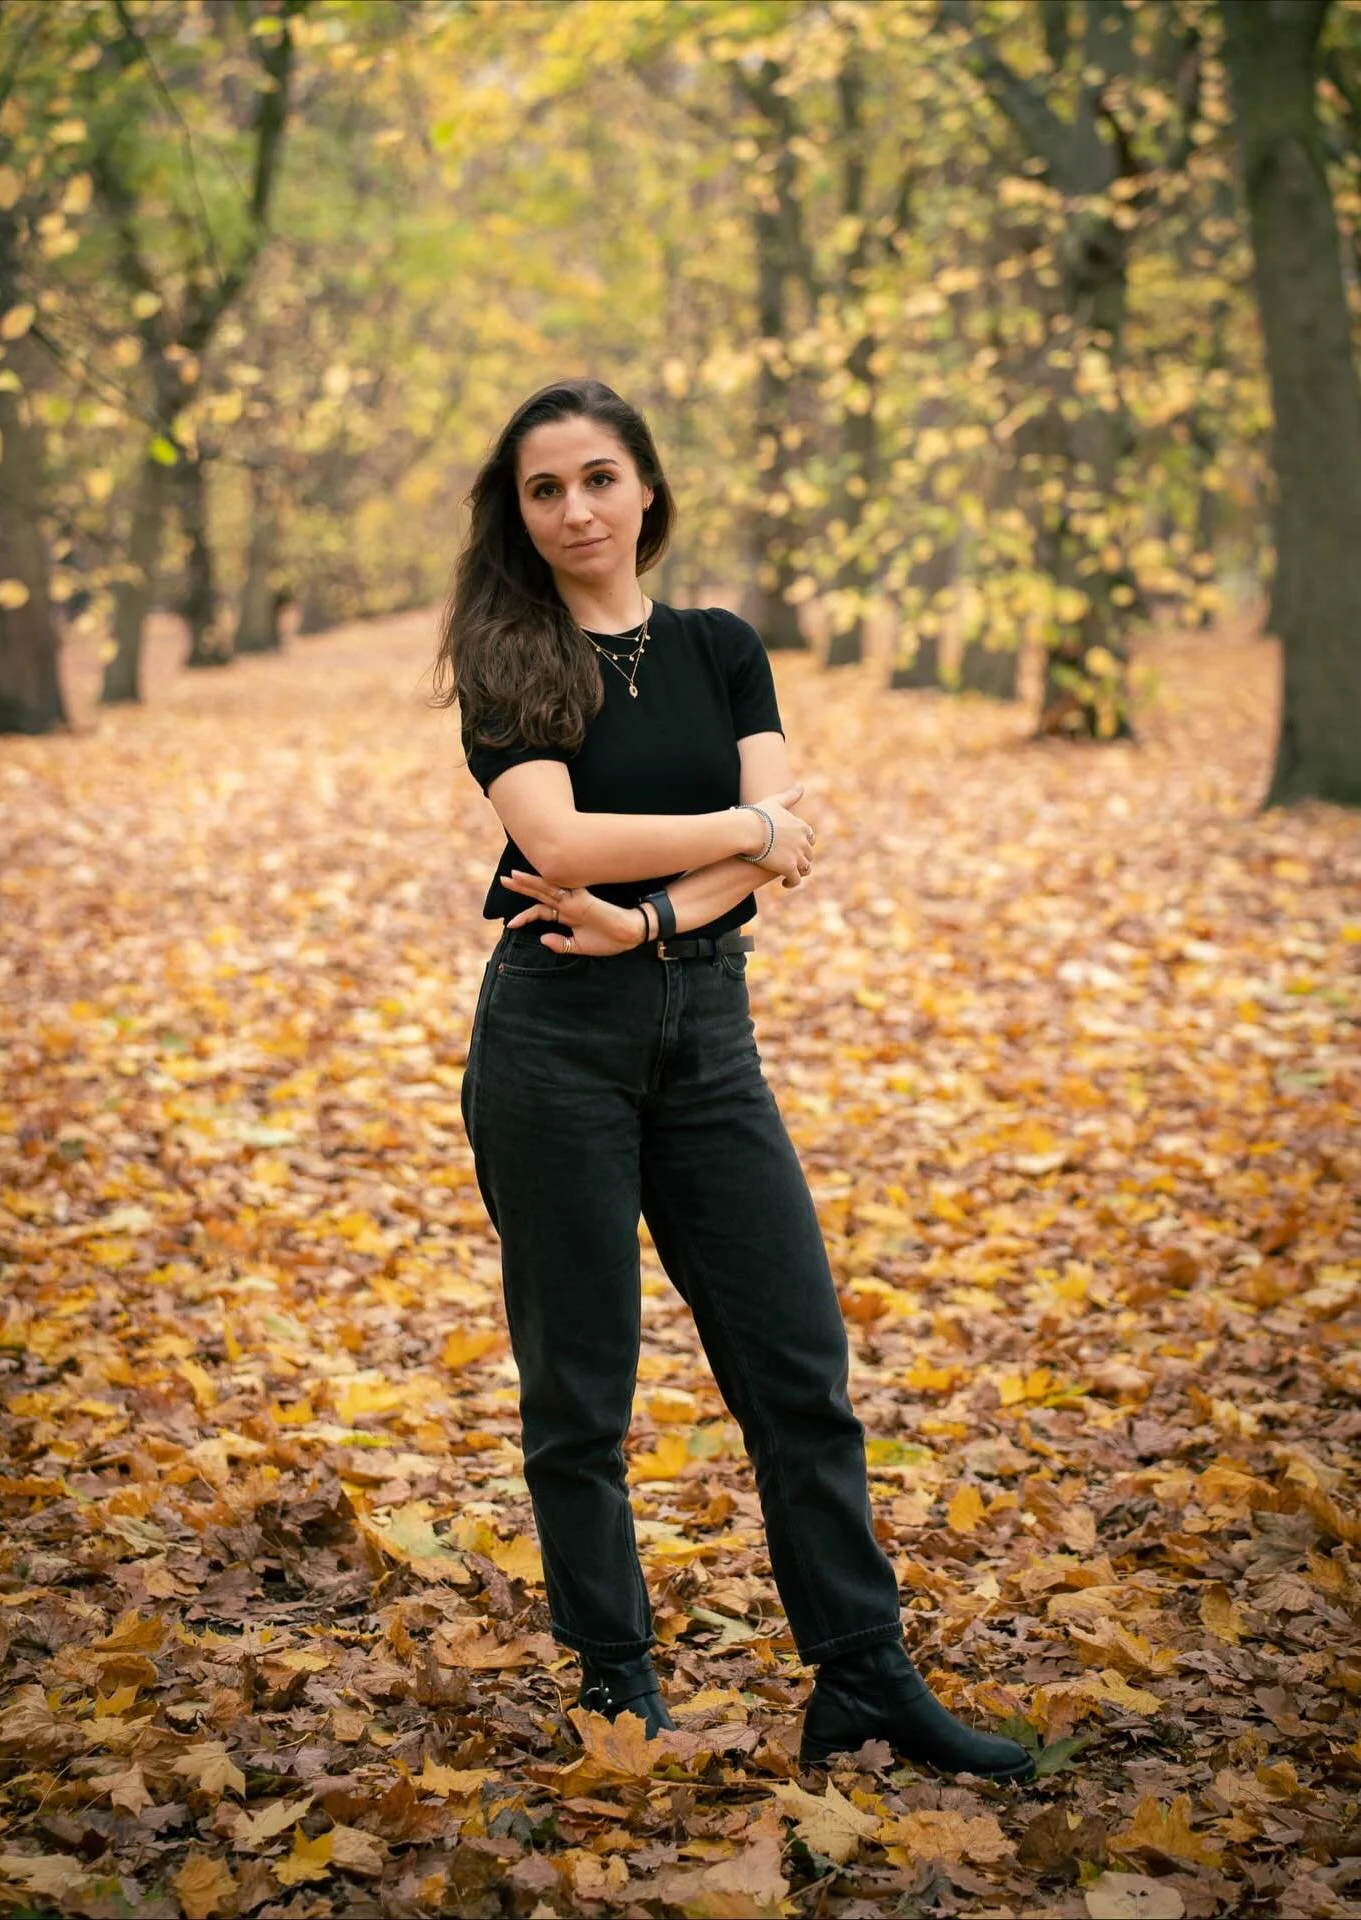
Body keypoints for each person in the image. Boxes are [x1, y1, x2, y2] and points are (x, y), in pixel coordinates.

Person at [432, 377, 1033, 1783]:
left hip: (707, 1031)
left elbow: (779, 854)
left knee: (801, 1368)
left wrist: (662, 909)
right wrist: (741, 828)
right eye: (544, 488)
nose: (576, 508)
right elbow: (561, 847)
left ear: (647, 488)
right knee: (580, 1391)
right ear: (517, 516)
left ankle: (865, 1680)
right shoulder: (508, 657)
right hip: (553, 1042)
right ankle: (616, 1691)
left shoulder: (722, 646)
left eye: (598, 477)